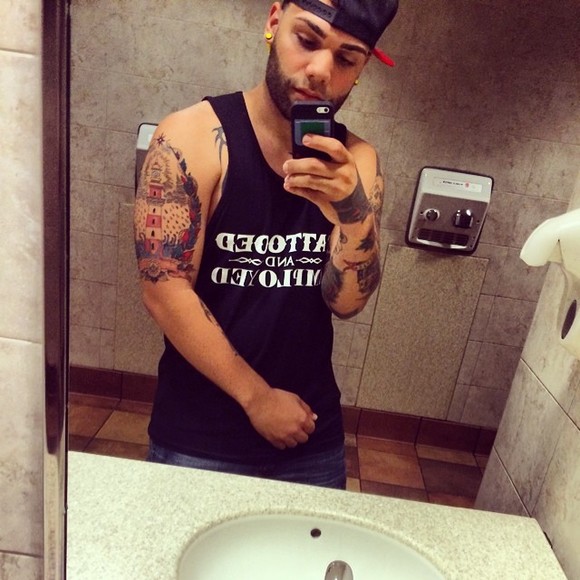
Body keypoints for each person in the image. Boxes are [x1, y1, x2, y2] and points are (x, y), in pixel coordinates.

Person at [134, 0, 398, 489]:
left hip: (310, 433)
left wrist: (353, 213)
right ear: (274, 22)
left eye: (346, 58)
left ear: (361, 70)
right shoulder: (191, 136)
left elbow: (345, 303)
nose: (320, 70)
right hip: (198, 434)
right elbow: (163, 291)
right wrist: (258, 399)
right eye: (308, 40)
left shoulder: (358, 160)